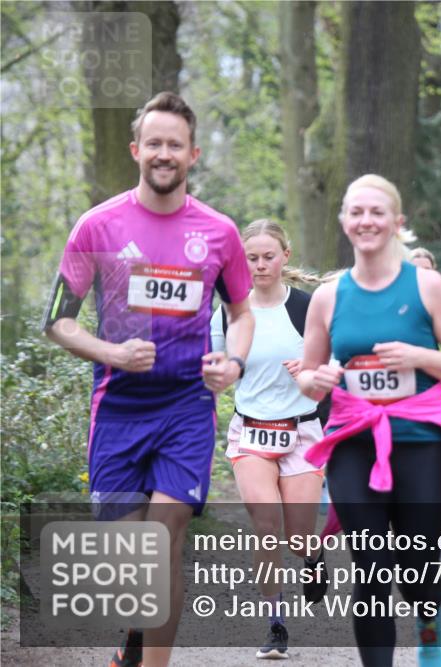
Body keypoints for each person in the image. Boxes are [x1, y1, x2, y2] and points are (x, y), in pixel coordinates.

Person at [42, 92, 254, 667]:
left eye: (175, 145)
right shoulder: (97, 225)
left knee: (165, 538)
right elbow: (58, 321)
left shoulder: (218, 233)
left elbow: (241, 313)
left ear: (193, 155)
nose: (164, 154)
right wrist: (110, 350)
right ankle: (135, 633)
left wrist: (232, 362)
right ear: (137, 150)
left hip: (186, 405)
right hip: (117, 410)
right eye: (154, 143)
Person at [296, 174, 441, 667]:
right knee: (369, 569)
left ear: (397, 222)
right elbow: (307, 377)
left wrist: (416, 354)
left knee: (416, 566)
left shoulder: (427, 286)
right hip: (354, 444)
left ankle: (428, 621)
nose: (366, 221)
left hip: (421, 444)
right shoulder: (328, 297)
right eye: (356, 212)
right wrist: (319, 380)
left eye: (376, 212)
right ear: (344, 220)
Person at [210, 219, 331, 659]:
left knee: (298, 539)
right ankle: (275, 623)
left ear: (286, 257)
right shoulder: (227, 309)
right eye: (251, 258)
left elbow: (336, 366)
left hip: (301, 431)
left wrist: (313, 370)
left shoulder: (308, 305)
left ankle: (313, 558)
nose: (259, 266)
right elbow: (215, 366)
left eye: (268, 257)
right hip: (251, 433)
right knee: (266, 528)